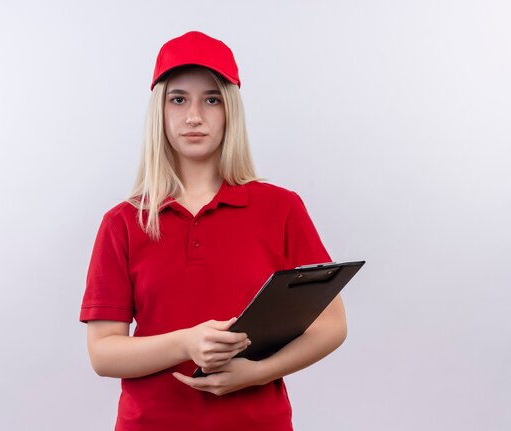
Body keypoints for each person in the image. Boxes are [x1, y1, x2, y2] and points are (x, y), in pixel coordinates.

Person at [80, 31, 347, 431]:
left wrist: (257, 373)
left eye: (211, 99)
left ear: (230, 111)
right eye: (178, 99)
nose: (193, 116)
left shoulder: (280, 208)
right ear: (160, 111)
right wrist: (186, 343)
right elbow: (103, 353)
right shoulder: (124, 222)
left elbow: (332, 325)